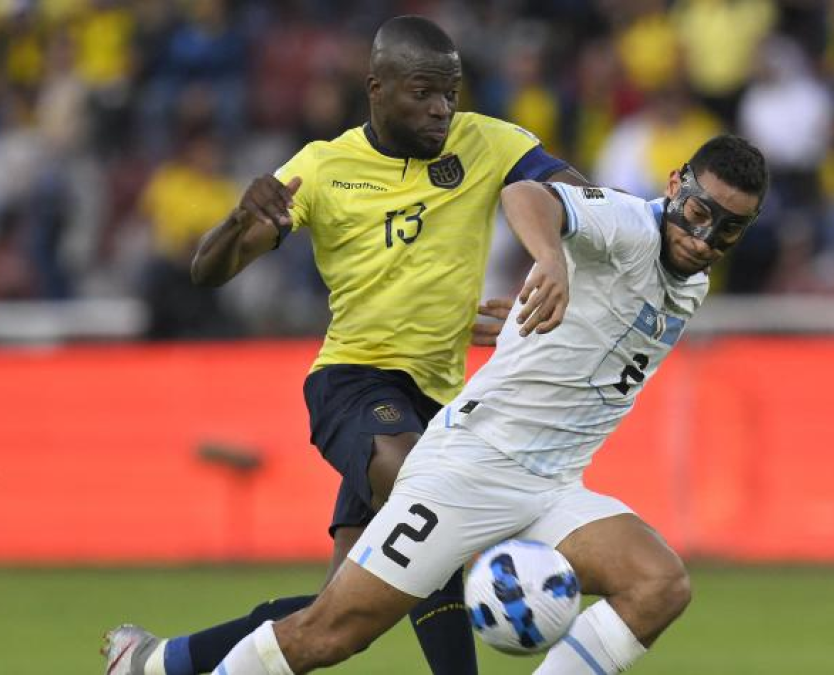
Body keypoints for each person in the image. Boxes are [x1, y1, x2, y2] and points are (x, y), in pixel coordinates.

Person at [102, 15, 589, 675]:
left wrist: (580, 244)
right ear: (377, 88)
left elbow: (583, 196)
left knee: (344, 617)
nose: (443, 108)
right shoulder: (323, 167)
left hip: (438, 405)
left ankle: (158, 661)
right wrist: (241, 215)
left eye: (451, 91)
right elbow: (208, 271)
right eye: (423, 92)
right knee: (434, 499)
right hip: (355, 385)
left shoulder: (488, 143)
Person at [210, 134, 768, 674]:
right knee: (327, 633)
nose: (704, 238)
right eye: (698, 214)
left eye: (729, 229)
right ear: (675, 186)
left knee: (658, 585)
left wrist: (546, 323)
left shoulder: (691, 281)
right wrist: (549, 260)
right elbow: (524, 195)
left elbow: (601, 327)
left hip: (551, 488)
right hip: (469, 470)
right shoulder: (629, 224)